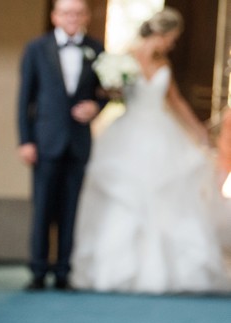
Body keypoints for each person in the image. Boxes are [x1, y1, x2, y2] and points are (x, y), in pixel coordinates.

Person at [71, 8, 231, 294]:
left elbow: (176, 101)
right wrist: (111, 90)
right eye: (172, 38)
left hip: (160, 132)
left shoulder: (163, 63)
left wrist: (199, 131)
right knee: (125, 197)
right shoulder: (123, 58)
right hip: (128, 134)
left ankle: (165, 272)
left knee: (166, 196)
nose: (172, 44)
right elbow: (108, 93)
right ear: (161, 34)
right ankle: (116, 271)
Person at [17, 0, 105, 290]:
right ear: (55, 16)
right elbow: (25, 99)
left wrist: (96, 106)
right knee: (43, 207)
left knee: (71, 209)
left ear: (86, 17)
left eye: (78, 13)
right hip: (44, 141)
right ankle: (39, 270)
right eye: (67, 12)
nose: (72, 17)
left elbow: (105, 91)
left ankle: (64, 270)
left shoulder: (97, 49)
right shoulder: (36, 48)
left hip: (78, 141)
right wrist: (26, 140)